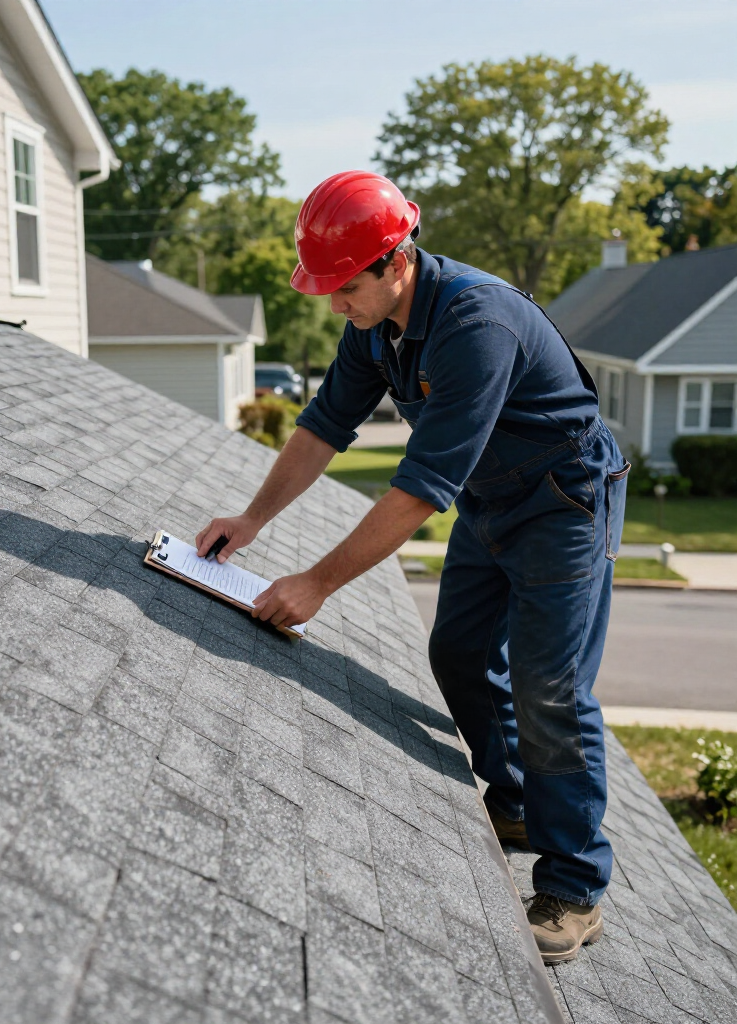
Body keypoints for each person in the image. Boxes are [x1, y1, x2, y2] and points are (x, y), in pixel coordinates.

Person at [195, 170, 629, 963]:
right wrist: (251, 520)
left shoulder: (476, 322)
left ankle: (574, 884)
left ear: (396, 260)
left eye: (345, 286)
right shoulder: (376, 327)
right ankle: (521, 803)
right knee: (457, 653)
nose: (335, 304)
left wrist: (315, 584)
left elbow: (421, 487)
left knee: (549, 686)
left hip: (564, 501)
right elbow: (324, 426)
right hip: (495, 499)